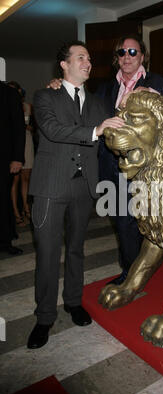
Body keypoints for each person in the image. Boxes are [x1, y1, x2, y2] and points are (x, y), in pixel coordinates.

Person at [48, 34, 163, 286]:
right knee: (123, 222)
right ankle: (131, 272)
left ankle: (145, 266)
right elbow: (80, 110)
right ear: (116, 58)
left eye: (133, 52)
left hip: (147, 167)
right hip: (113, 167)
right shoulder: (105, 89)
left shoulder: (158, 82)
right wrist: (59, 85)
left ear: (142, 56)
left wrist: (151, 95)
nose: (127, 57)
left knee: (147, 220)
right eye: (122, 52)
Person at [27, 41, 124, 349]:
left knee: (76, 250)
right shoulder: (44, 96)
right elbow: (54, 130)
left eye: (90, 58)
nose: (88, 62)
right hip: (50, 187)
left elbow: (112, 133)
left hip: (84, 187)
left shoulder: (97, 102)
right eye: (80, 57)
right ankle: (44, 317)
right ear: (64, 65)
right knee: (47, 253)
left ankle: (73, 301)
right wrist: (96, 131)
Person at [0, 81, 25, 255]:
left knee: (3, 200)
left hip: (4, 159)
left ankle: (4, 241)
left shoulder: (9, 94)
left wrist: (17, 158)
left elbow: (19, 128)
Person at [8, 81, 35, 226]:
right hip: (13, 144)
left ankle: (26, 208)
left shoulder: (27, 107)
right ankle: (15, 212)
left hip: (27, 141)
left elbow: (34, 127)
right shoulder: (6, 107)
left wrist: (28, 127)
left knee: (26, 178)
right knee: (15, 180)